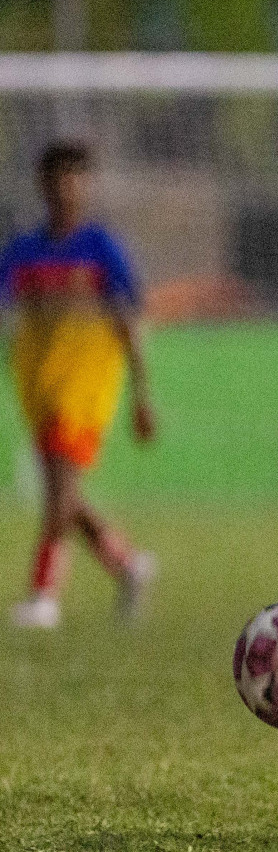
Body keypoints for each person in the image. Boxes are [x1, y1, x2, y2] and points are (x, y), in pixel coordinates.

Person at [3, 142, 157, 629]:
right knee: (65, 496)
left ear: (86, 186)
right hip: (39, 387)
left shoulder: (101, 249)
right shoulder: (22, 252)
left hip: (88, 388)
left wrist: (141, 395)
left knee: (58, 494)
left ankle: (44, 596)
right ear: (41, 183)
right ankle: (128, 565)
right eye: (55, 178)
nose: (64, 189)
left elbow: (129, 321)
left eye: (74, 179)